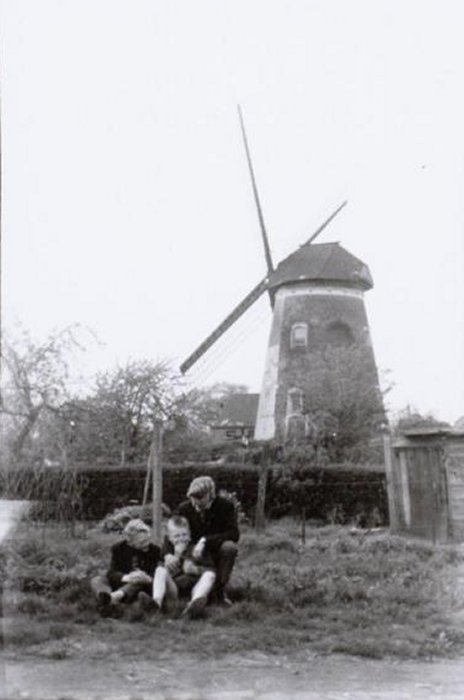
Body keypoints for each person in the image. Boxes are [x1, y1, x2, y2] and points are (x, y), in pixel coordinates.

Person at [177, 476, 239, 605]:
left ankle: (220, 591)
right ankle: (192, 593)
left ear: (211, 495)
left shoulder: (225, 506)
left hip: (215, 547)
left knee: (230, 548)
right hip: (192, 550)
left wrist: (205, 541)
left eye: (200, 498)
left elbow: (234, 533)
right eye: (192, 499)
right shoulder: (184, 509)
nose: (195, 503)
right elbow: (173, 532)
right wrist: (167, 555)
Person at [91, 518, 160, 617]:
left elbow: (156, 574)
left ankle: (110, 601)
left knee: (138, 581)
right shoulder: (118, 548)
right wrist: (126, 577)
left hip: (141, 586)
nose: (147, 544)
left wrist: (146, 578)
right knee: (97, 579)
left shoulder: (155, 551)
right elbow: (111, 573)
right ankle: (107, 599)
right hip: (123, 581)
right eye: (142, 542)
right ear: (130, 542)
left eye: (148, 539)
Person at [152, 514, 216, 618]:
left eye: (184, 534)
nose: (181, 538)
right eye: (177, 536)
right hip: (174, 590)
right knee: (160, 570)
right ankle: (155, 604)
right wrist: (176, 557)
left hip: (194, 588)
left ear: (190, 534)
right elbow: (162, 575)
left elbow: (212, 570)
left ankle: (193, 606)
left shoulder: (197, 550)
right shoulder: (167, 553)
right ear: (169, 538)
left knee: (210, 575)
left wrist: (195, 570)